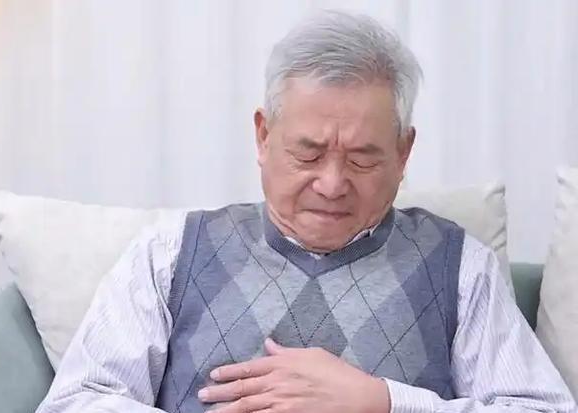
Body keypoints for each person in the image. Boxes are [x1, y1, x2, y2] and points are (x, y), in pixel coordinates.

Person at [36, 10, 577, 413]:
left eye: (363, 158)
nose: (332, 184)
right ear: (263, 135)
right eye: (309, 153)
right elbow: (76, 401)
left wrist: (384, 402)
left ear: (403, 153)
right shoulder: (170, 253)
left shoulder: (461, 268)